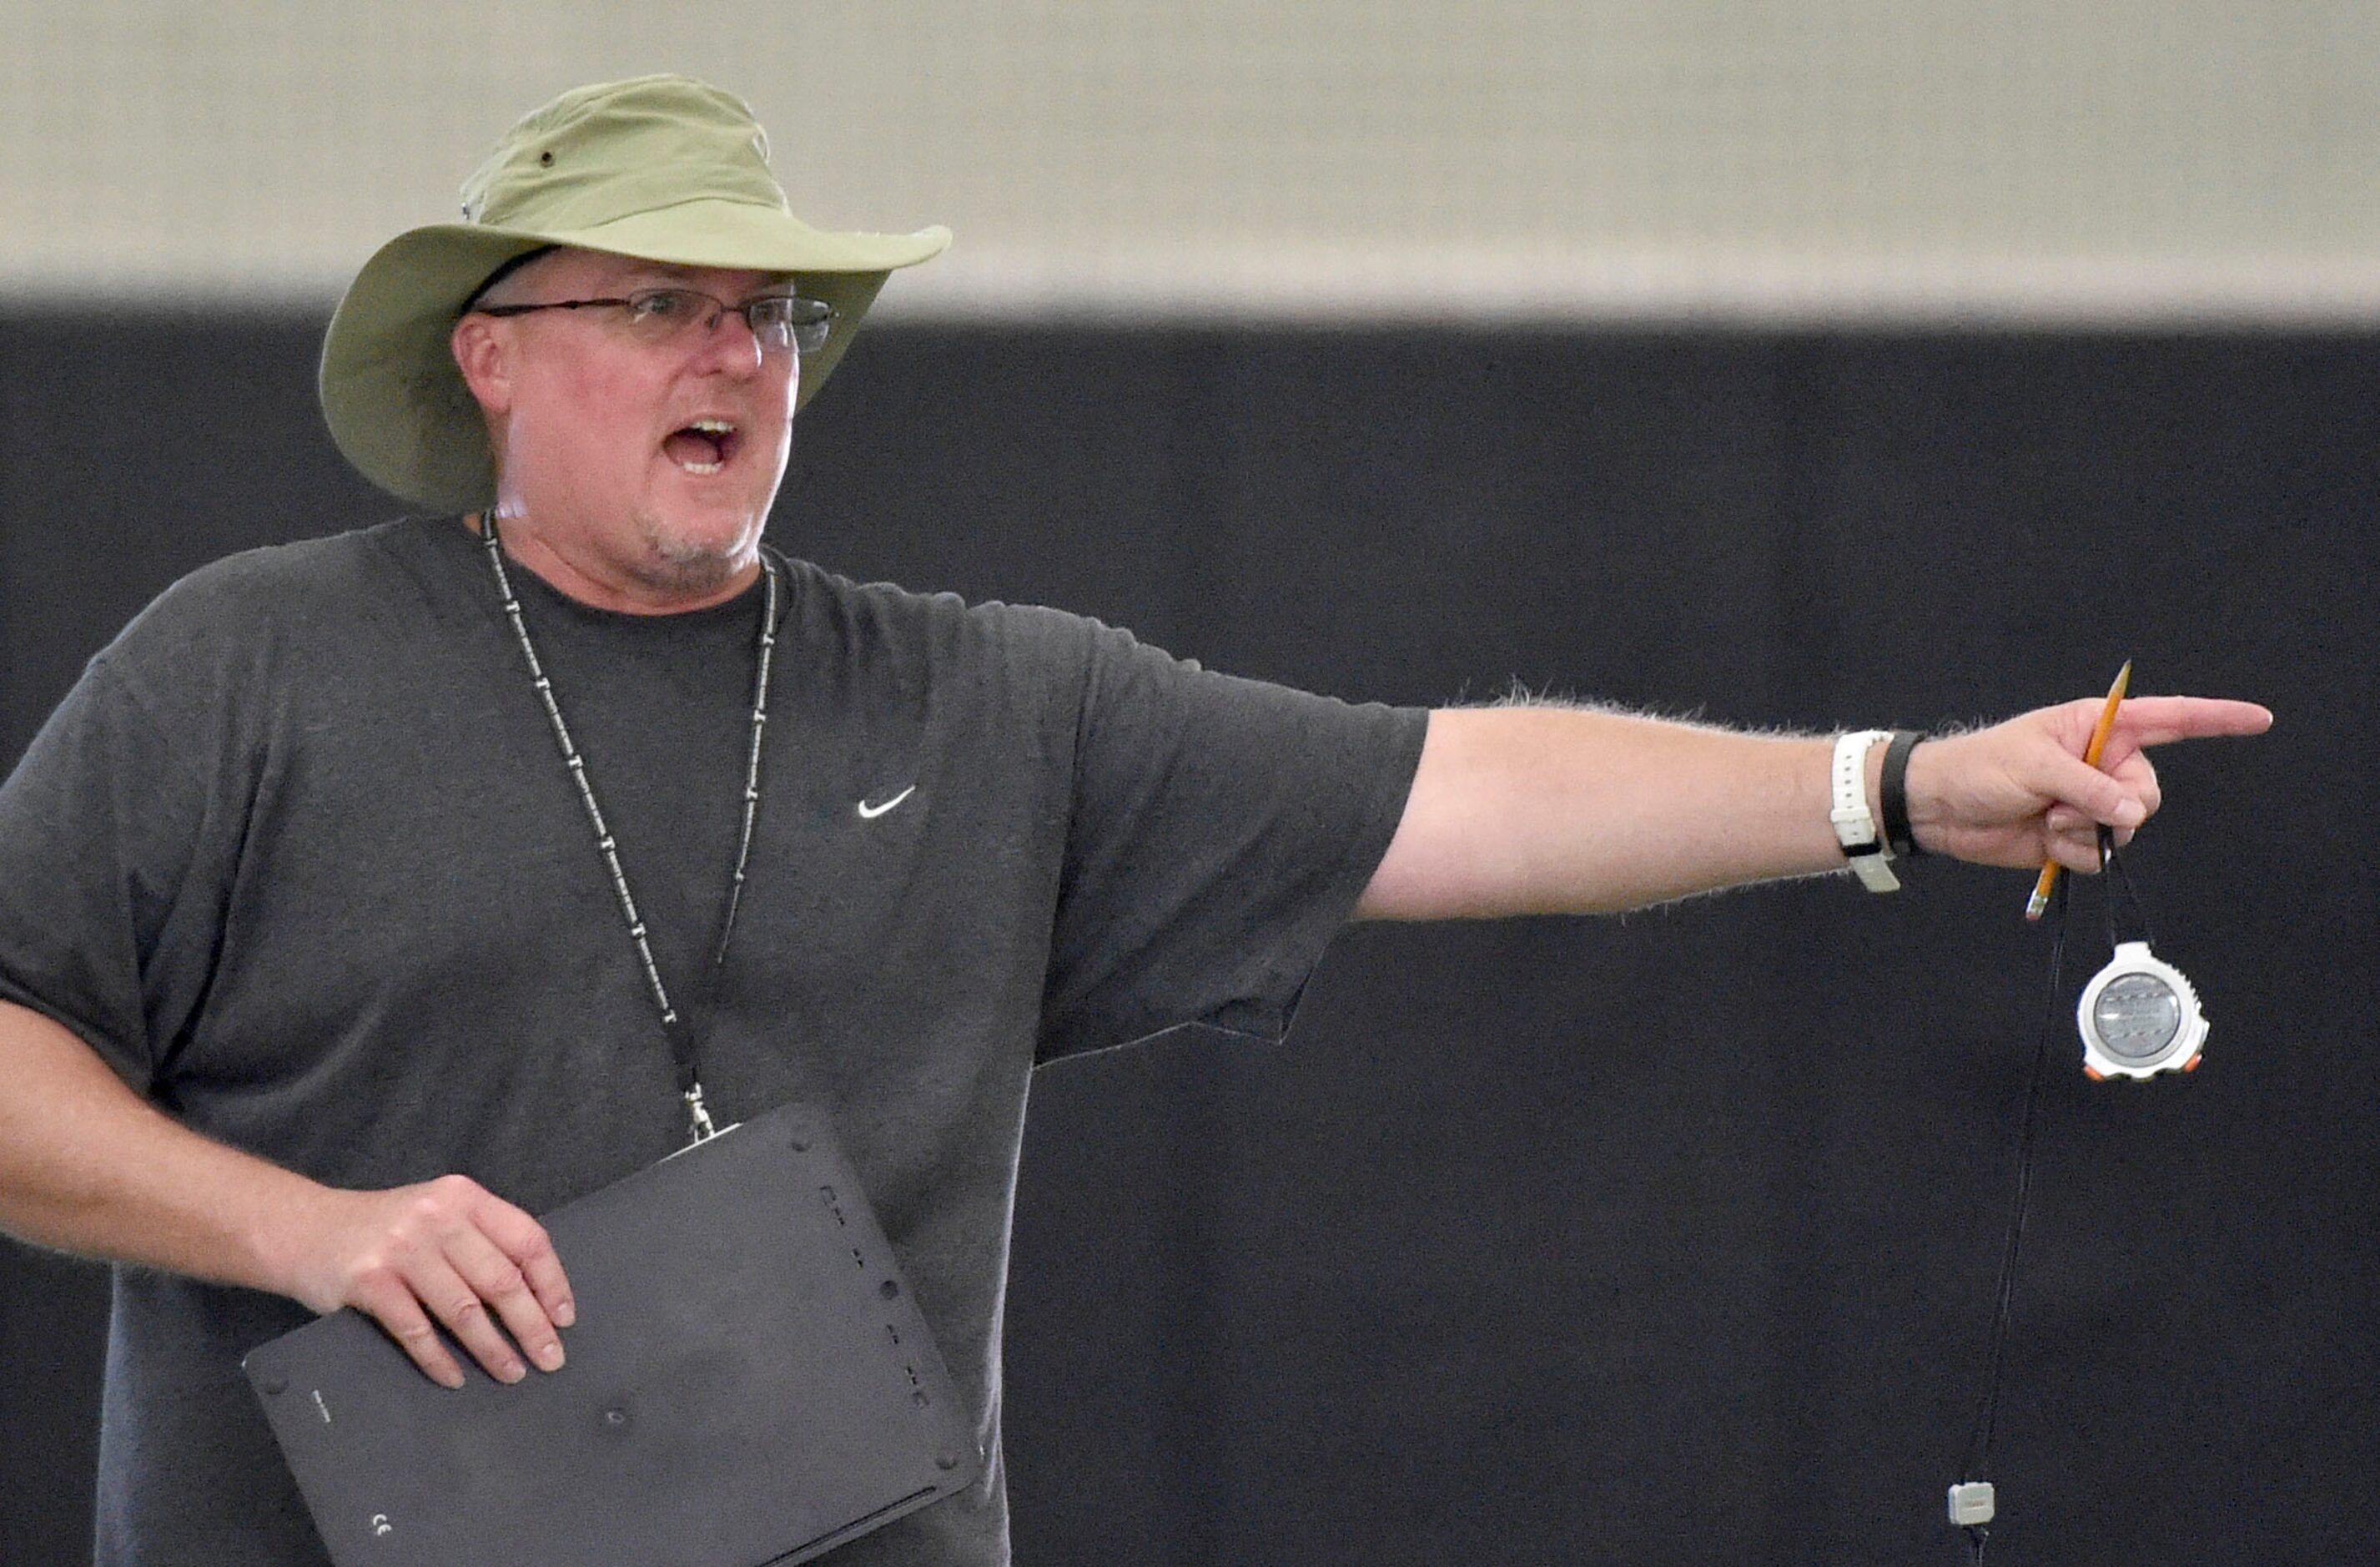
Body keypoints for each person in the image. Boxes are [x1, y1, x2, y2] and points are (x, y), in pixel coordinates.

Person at [0, 74, 2269, 1567]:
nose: (736, 359)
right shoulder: (244, 672)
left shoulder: (985, 704)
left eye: (776, 317)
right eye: (663, 305)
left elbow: (1455, 788)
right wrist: (306, 1230)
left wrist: (1887, 788)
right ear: (489, 352)